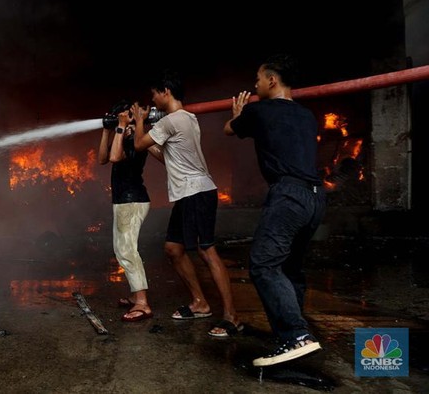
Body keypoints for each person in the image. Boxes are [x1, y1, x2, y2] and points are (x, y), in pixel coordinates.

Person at [223, 54, 326, 366]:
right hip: (315, 197)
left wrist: (238, 113)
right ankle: (296, 338)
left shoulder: (259, 110)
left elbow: (229, 130)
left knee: (264, 265)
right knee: (290, 268)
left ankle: (295, 335)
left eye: (258, 78)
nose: (254, 85)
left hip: (288, 196)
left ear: (272, 80)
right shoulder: (307, 115)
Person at [131, 71, 242, 338]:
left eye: (154, 94)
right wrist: (148, 134)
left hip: (197, 193)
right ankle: (200, 303)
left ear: (166, 91)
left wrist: (138, 121)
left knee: (206, 252)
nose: (153, 99)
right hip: (187, 194)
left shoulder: (171, 121)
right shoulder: (186, 119)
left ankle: (232, 317)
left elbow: (137, 144)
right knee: (173, 249)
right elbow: (167, 157)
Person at [98, 100, 154, 322]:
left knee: (127, 251)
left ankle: (142, 303)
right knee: (123, 249)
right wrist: (106, 131)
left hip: (132, 202)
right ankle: (135, 296)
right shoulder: (123, 138)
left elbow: (114, 157)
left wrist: (121, 127)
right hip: (124, 202)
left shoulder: (135, 141)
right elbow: (103, 158)